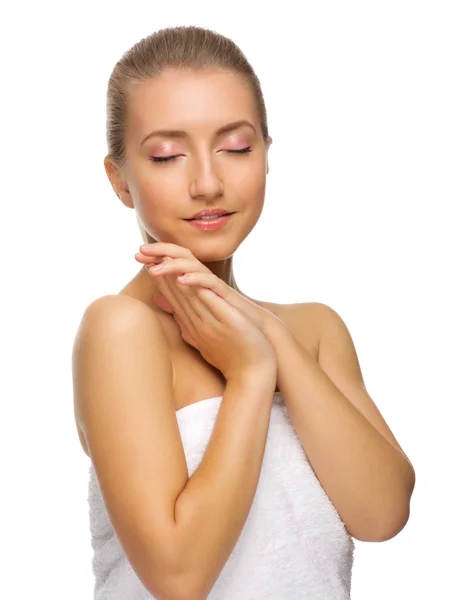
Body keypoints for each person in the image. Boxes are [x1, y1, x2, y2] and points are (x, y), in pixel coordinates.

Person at [72, 25, 415, 600]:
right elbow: (179, 576)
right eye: (167, 155)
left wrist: (270, 340)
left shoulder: (313, 329)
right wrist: (252, 376)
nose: (208, 182)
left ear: (265, 155)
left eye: (235, 147)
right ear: (120, 180)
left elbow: (383, 515)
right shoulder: (119, 329)